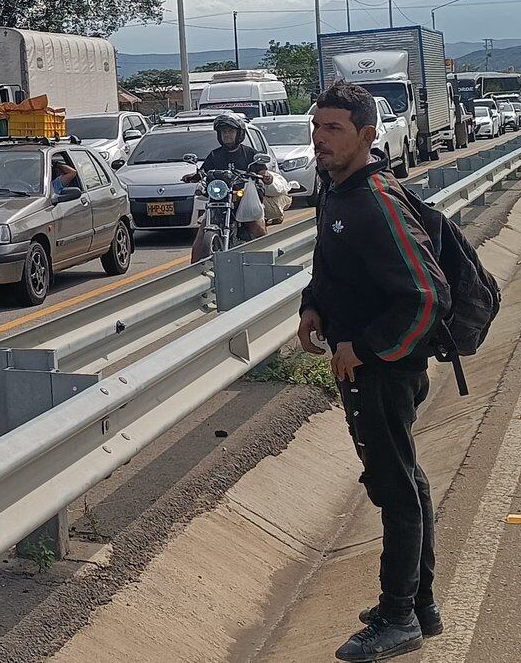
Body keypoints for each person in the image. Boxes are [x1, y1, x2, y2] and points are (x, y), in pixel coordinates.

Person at [297, 80, 451, 662]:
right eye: (316, 127)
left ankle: (397, 616)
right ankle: (422, 603)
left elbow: (425, 298)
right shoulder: (337, 193)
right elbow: (332, 268)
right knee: (406, 479)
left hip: (384, 371)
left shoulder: (375, 201)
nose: (319, 139)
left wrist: (363, 347)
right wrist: (312, 305)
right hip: (366, 366)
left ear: (366, 136)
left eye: (332, 129)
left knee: (394, 487)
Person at [201, 114, 269, 240]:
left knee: (257, 228)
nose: (226, 135)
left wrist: (265, 175)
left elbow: (262, 170)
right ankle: (198, 259)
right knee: (202, 232)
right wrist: (194, 176)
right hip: (220, 199)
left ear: (239, 133)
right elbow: (204, 171)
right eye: (223, 132)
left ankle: (263, 254)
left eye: (231, 131)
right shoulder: (214, 155)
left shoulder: (249, 153)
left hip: (244, 200)